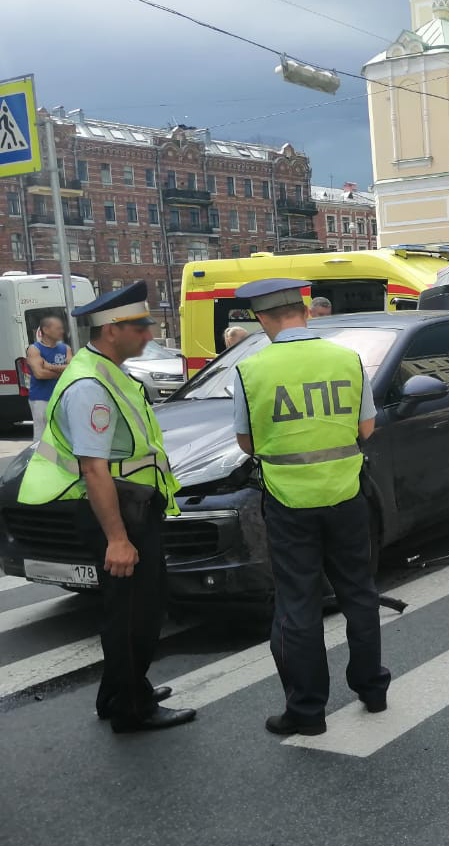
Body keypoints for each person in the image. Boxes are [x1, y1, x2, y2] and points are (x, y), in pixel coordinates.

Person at [17, 282, 194, 733]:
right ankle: (131, 709)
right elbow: (94, 468)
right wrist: (117, 538)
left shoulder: (106, 370)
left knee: (134, 607)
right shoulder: (91, 385)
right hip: (117, 514)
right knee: (136, 613)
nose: (149, 333)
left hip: (131, 506)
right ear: (113, 330)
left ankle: (118, 691)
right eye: (141, 326)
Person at [231, 278, 390, 736]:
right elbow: (366, 429)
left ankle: (307, 712)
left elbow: (247, 444)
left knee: (297, 605)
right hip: (346, 495)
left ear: (262, 320)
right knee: (359, 593)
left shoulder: (252, 370)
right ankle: (372, 689)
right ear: (303, 310)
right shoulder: (347, 359)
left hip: (288, 501)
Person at [26, 315, 70, 440]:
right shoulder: (34, 349)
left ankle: (57, 459)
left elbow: (72, 369)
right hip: (41, 399)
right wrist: (62, 371)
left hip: (62, 398)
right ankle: (39, 459)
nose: (62, 331)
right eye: (58, 328)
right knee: (42, 436)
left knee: (63, 435)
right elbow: (39, 374)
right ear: (45, 330)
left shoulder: (65, 348)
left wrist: (50, 367)